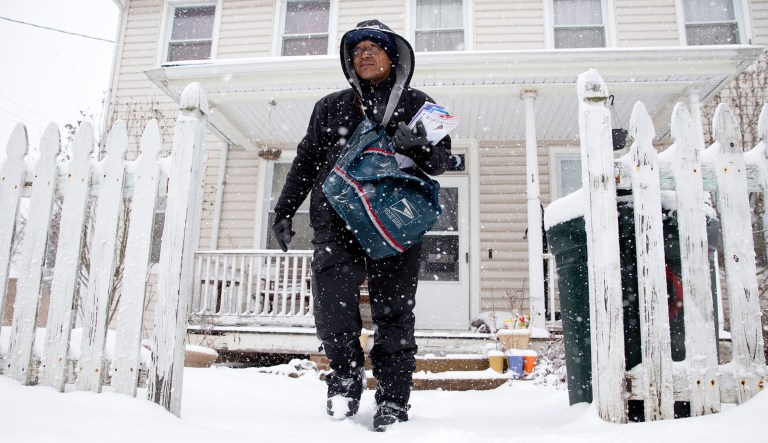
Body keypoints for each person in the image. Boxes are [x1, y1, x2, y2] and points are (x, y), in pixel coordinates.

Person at [271, 20, 451, 432]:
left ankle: (392, 399)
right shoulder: (330, 106)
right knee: (333, 307)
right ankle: (345, 381)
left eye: (374, 47)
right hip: (335, 222)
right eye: (357, 49)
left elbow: (442, 163)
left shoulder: (423, 104)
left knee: (394, 313)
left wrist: (421, 148)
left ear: (395, 57)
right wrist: (283, 211)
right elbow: (305, 162)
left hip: (395, 226)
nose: (364, 54)